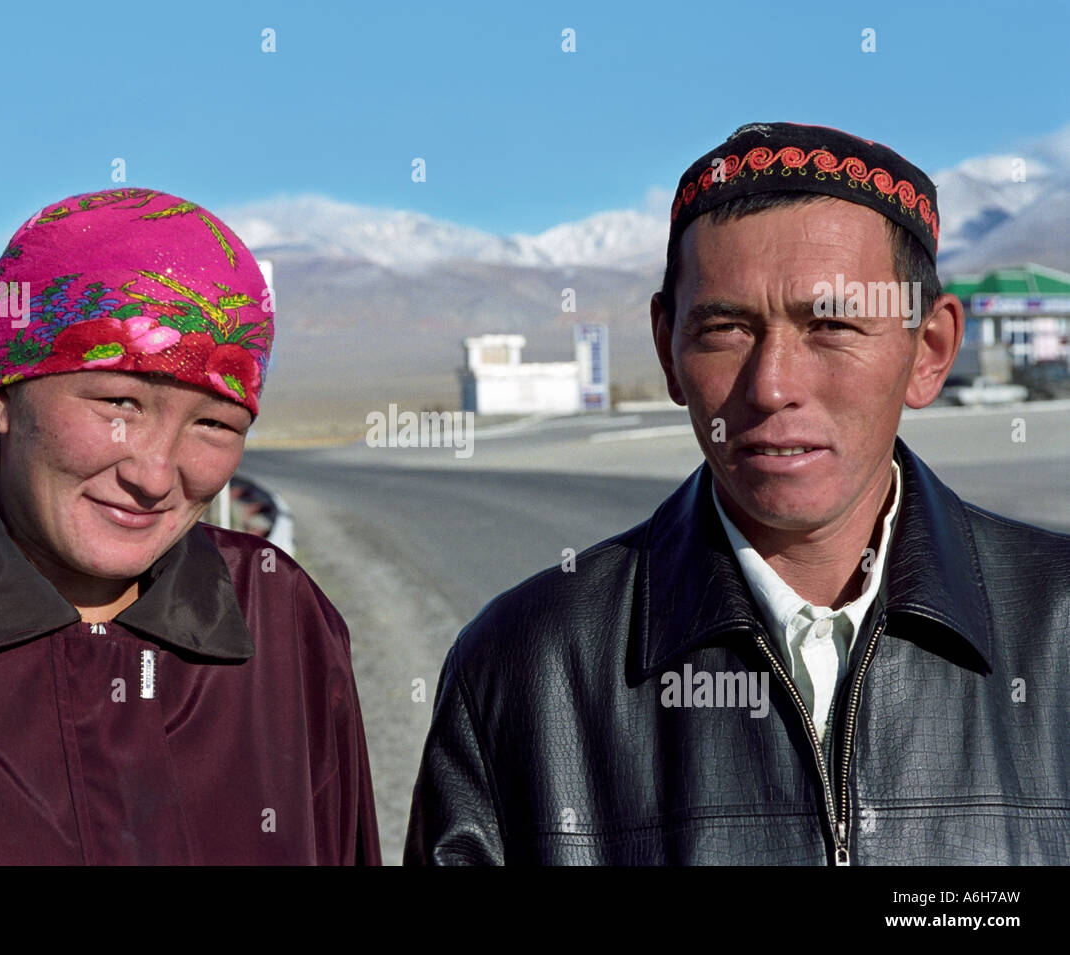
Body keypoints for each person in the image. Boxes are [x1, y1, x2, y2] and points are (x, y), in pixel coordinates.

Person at [404, 122, 1070, 865]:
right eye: (725, 329)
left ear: (929, 350)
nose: (773, 386)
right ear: (668, 349)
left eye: (832, 325)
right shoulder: (523, 669)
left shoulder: (1058, 631)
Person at [0, 187, 381, 865]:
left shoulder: (279, 616)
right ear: (2, 397)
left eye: (213, 424)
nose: (154, 474)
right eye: (118, 402)